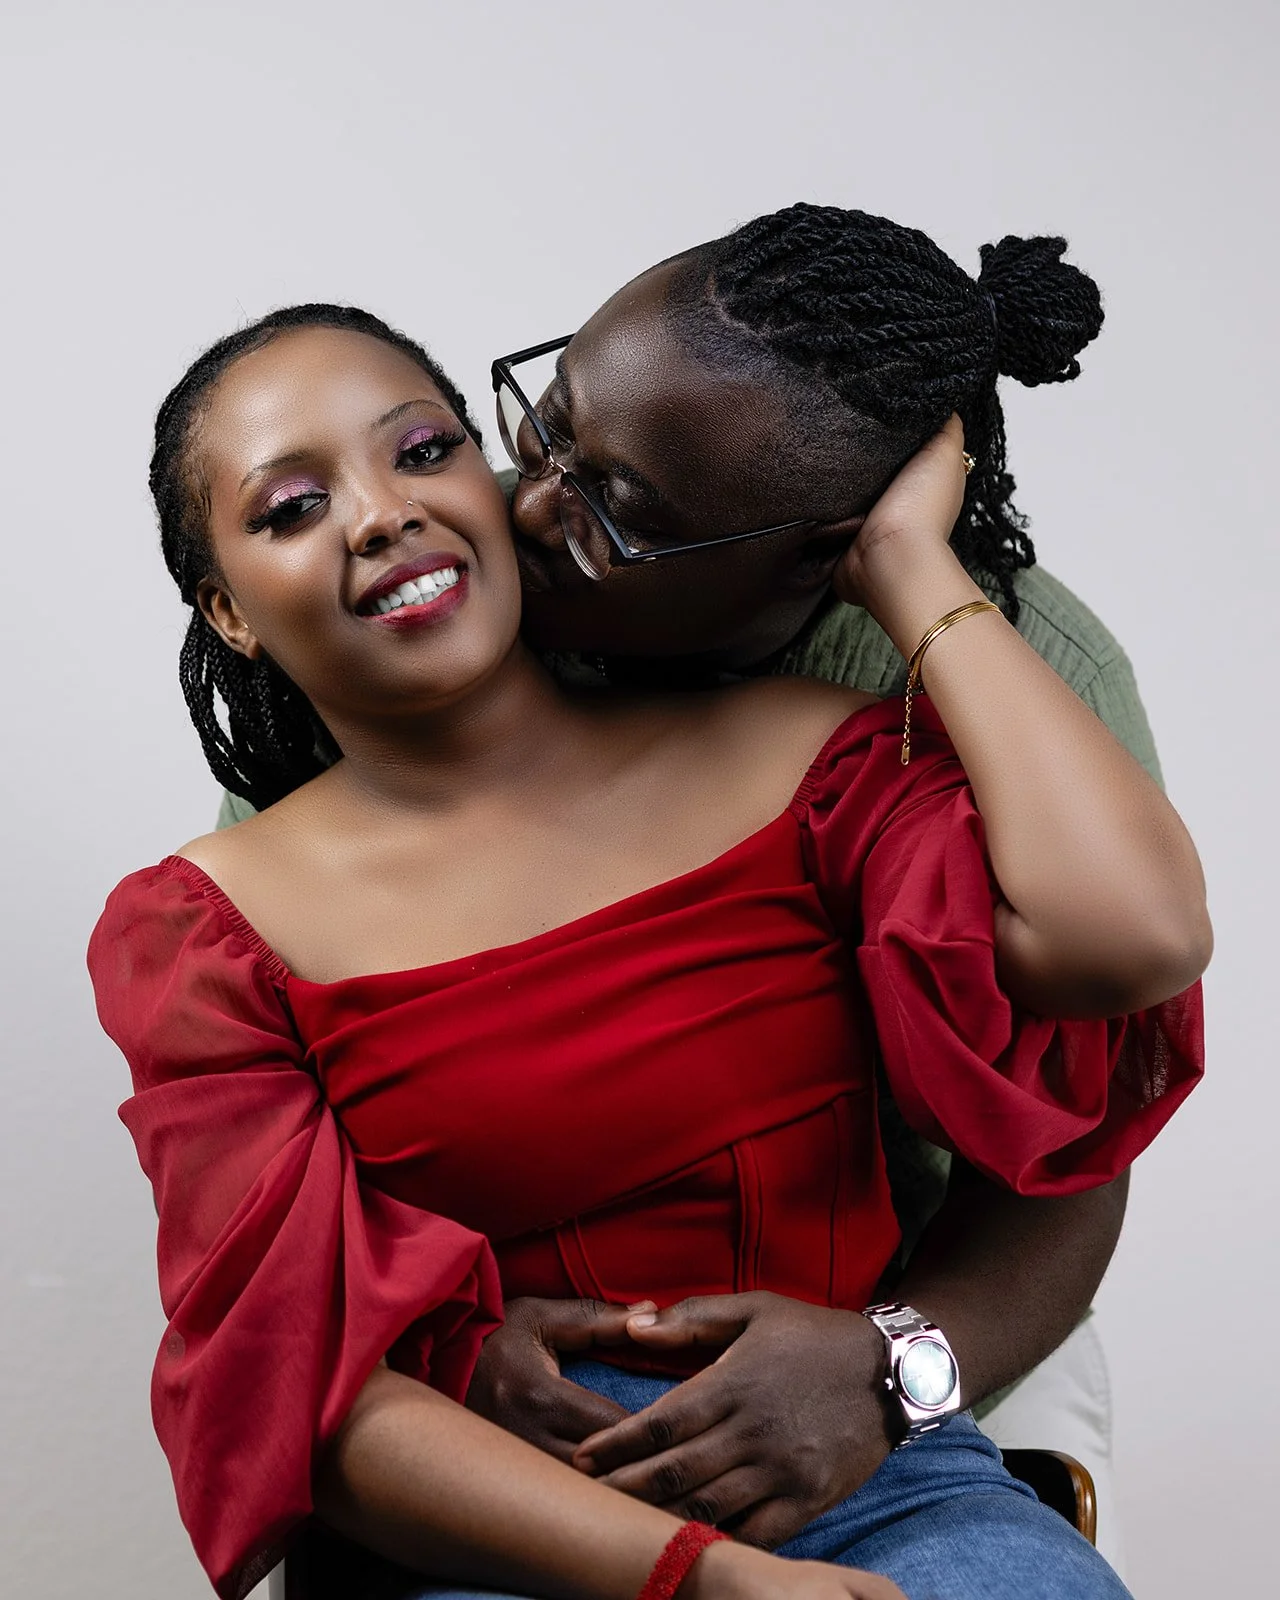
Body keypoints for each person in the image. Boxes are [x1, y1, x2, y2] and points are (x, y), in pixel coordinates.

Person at [88, 293, 1205, 1600]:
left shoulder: (824, 756)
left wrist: (909, 563)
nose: (382, 511)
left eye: (423, 449)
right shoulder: (208, 925)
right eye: (291, 508)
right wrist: (702, 1578)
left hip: (870, 1460)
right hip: (489, 1517)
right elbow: (302, 1386)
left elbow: (1132, 950)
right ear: (227, 611)